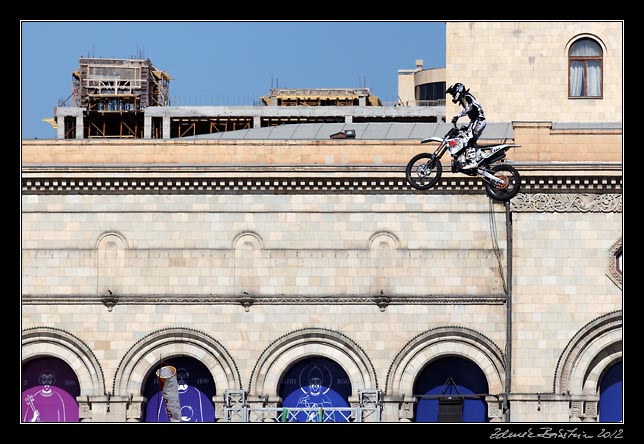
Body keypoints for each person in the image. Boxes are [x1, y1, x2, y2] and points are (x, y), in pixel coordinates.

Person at [446, 82, 487, 170]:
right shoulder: (464, 98)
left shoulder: (466, 97)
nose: (453, 96)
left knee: (469, 138)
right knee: (467, 139)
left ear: (458, 91)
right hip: (475, 120)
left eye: (453, 93)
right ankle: (479, 157)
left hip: (478, 119)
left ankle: (473, 162)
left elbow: (469, 108)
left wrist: (457, 116)